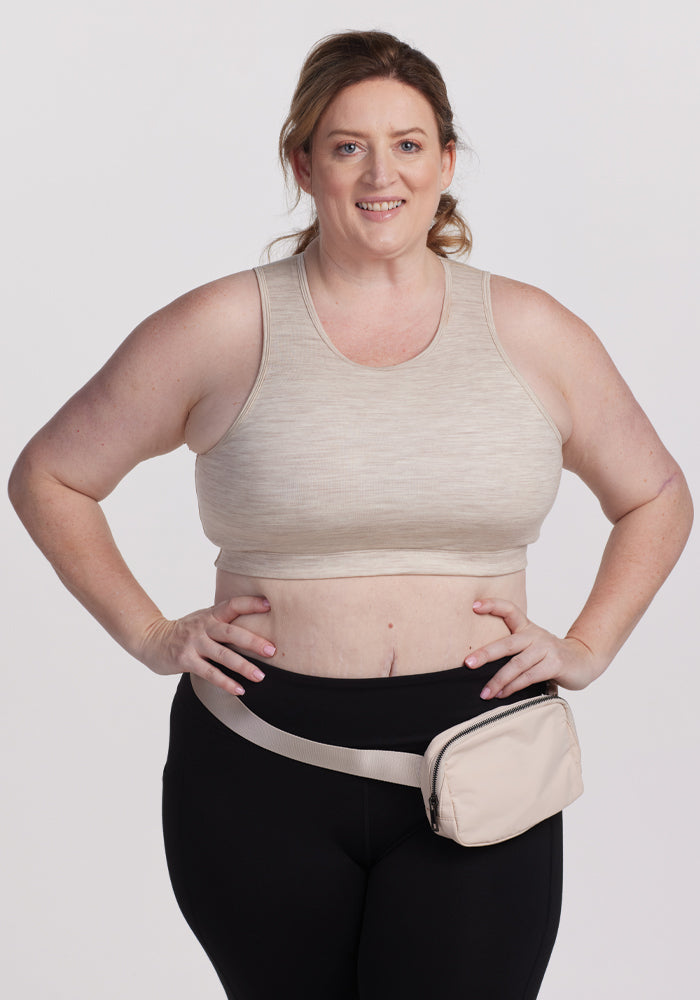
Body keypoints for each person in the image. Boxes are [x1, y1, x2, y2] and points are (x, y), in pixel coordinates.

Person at [8, 28, 692, 1000]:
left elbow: (656, 494)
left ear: (446, 161)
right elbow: (51, 476)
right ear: (303, 161)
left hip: (481, 760)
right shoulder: (224, 326)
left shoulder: (532, 332)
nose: (382, 173)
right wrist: (150, 631)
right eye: (347, 145)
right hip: (257, 766)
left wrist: (589, 643)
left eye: (409, 144)